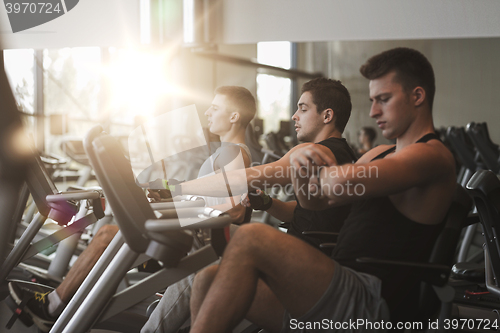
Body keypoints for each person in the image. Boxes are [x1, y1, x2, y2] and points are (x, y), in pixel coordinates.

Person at [187, 47, 456, 333]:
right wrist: (301, 174)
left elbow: (337, 183)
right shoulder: (378, 152)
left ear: (417, 96)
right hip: (339, 281)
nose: (374, 111)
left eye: (384, 100)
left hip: (370, 300)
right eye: (373, 100)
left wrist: (300, 165)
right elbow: (316, 201)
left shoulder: (431, 156)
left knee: (252, 236)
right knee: (207, 280)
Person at [8, 85, 256, 333]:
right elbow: (211, 196)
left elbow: (235, 213)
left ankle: (55, 306)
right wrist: (171, 194)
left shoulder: (233, 154)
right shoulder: (224, 153)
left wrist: (181, 205)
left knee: (108, 236)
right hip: (196, 232)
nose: (208, 113)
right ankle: (62, 303)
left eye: (215, 108)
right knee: (108, 235)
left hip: (201, 242)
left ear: (234, 116)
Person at [143, 77, 357, 332]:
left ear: (327, 115)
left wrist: (175, 188)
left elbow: (239, 180)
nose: (293, 116)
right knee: (204, 265)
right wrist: (266, 202)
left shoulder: (319, 153)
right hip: (301, 249)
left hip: (308, 261)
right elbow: (302, 212)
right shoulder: (330, 152)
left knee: (204, 261)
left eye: (303, 108)